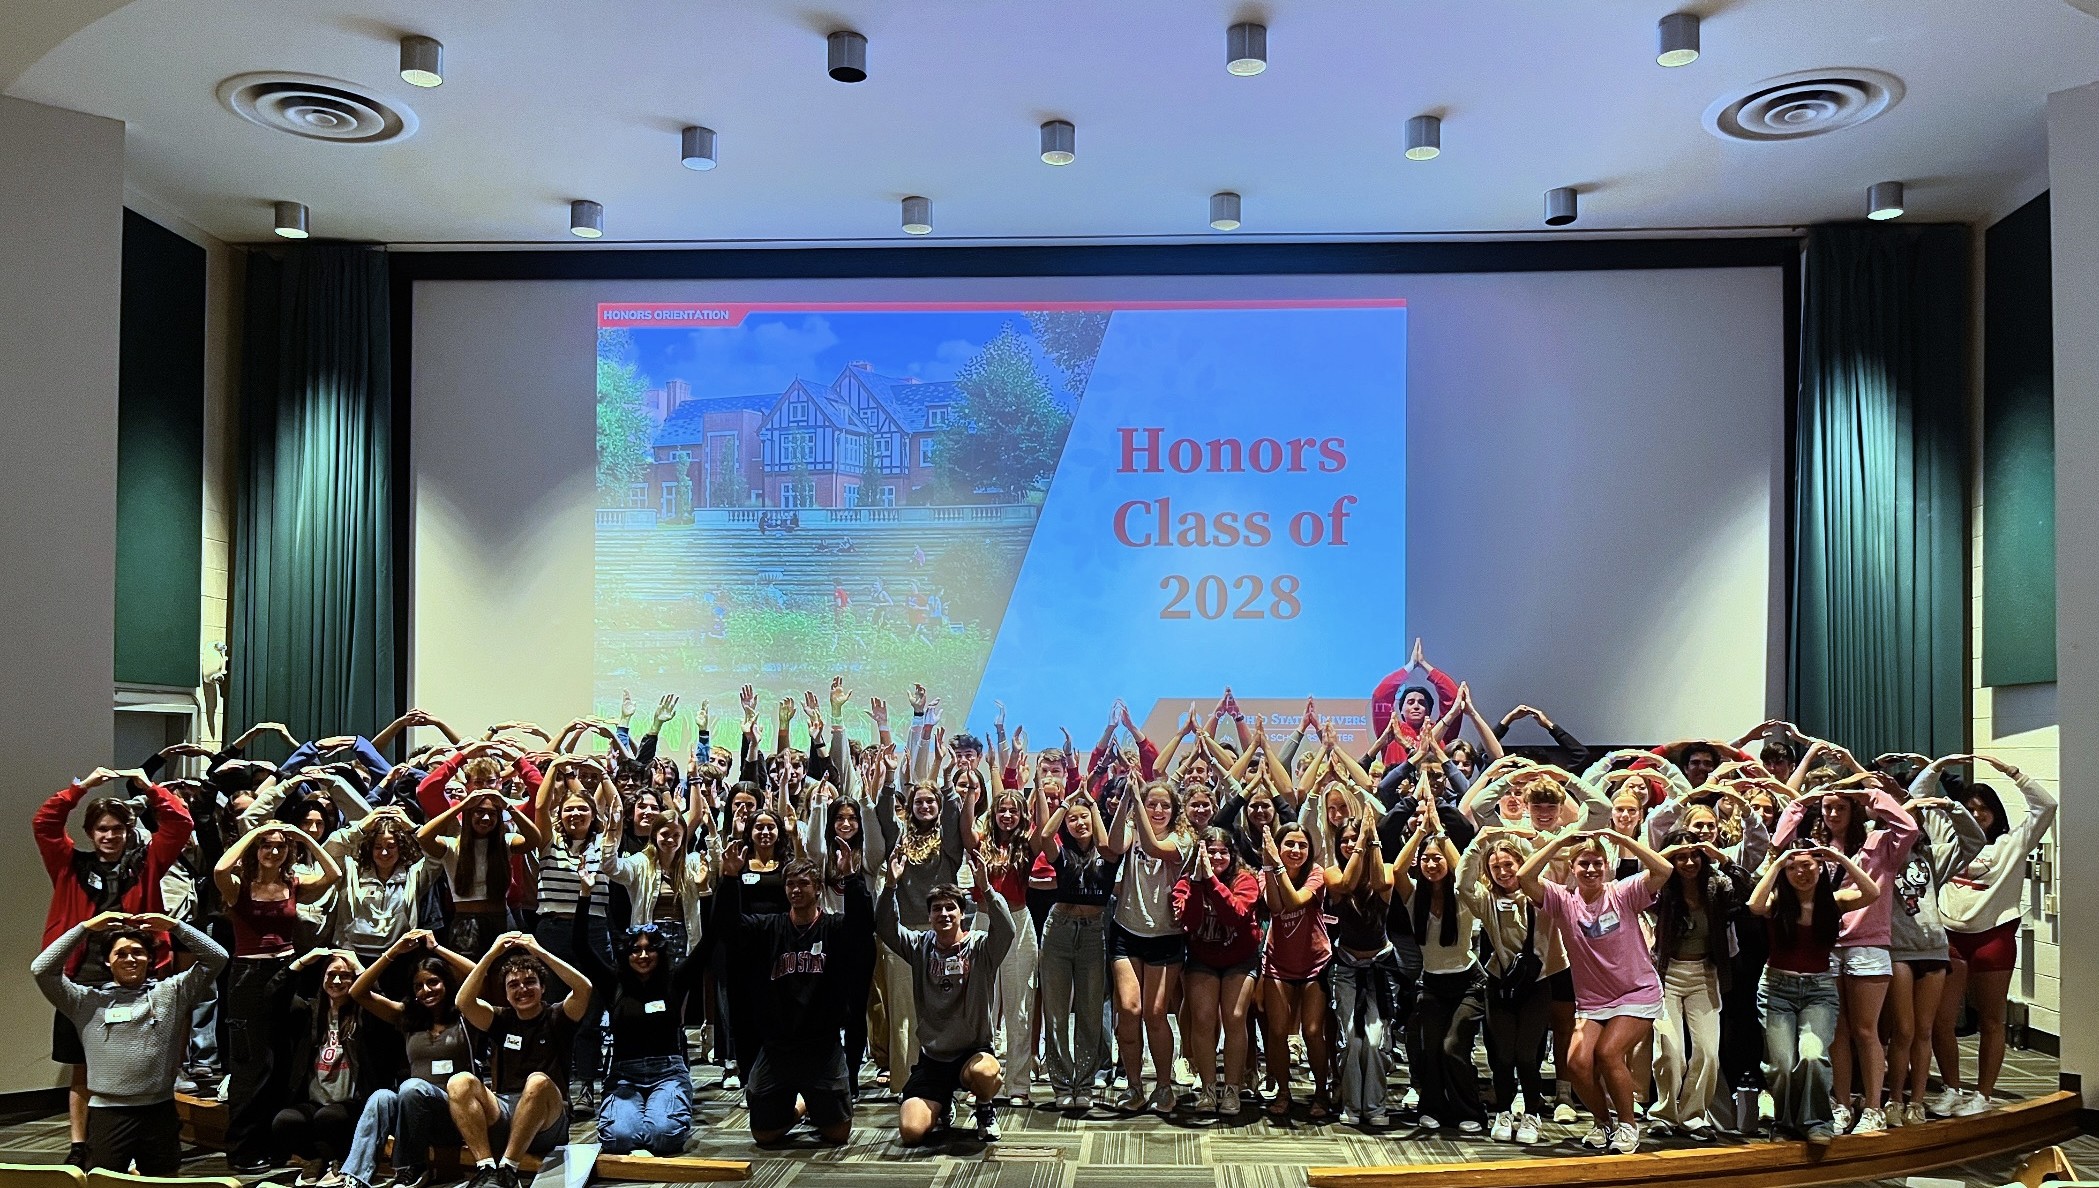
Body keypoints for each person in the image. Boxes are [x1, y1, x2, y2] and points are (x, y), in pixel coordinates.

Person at [34, 766, 194, 1169]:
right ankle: (79, 1144)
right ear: (91, 832)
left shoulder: (147, 862)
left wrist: (149, 787)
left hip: (139, 973)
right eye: (102, 829)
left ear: (128, 830)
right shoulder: (70, 864)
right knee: (82, 1066)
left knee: (150, 1056)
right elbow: (45, 823)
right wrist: (82, 787)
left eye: (117, 829)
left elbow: (180, 824)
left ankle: (148, 1135)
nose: (109, 836)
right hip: (83, 975)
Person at [1773, 771, 1918, 1134]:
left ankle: (1873, 1107)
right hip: (1828, 946)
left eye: (1840, 807)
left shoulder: (1879, 842)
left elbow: (1909, 828)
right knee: (1837, 1032)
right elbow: (1779, 844)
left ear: (1853, 810)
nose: (1833, 814)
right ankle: (1840, 1103)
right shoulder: (1815, 848)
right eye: (1827, 808)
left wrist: (1872, 796)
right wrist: (1802, 802)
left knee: (1867, 1031)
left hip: (1868, 943)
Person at [33, 910, 227, 1175]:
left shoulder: (171, 993)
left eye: (137, 952)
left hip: (159, 1110)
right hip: (108, 1113)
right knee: (104, 1181)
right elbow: (42, 970)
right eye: (121, 954)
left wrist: (175, 926)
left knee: (162, 1182)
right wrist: (85, 928)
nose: (130, 959)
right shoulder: (86, 1001)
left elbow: (218, 957)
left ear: (149, 958)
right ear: (108, 961)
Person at [1515, 829, 1672, 1155]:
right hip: (1593, 1002)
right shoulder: (1563, 900)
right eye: (1584, 863)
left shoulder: (1623, 892)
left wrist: (1622, 840)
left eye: (1597, 863)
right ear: (1573, 868)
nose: (1591, 869)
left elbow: (1664, 870)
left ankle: (1628, 1125)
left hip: (1636, 993)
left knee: (1608, 1053)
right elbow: (1525, 877)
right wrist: (1559, 842)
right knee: (1575, 1062)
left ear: (1606, 865)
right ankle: (1603, 1123)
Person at [1930, 753, 2058, 1116]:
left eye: (1983, 808)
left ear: (1995, 812)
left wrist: (2012, 772)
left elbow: (2047, 806)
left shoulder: (2012, 843)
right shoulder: (1947, 840)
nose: (1976, 814)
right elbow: (1920, 798)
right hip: (1950, 938)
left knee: (1990, 1020)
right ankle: (1952, 1089)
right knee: (1941, 1020)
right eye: (1969, 808)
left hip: (1993, 940)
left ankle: (1982, 1095)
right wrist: (1936, 768)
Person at [215, 821, 344, 1174]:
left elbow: (333, 874)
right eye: (266, 845)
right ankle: (241, 1151)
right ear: (255, 849)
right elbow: (220, 869)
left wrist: (303, 838)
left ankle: (274, 1144)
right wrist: (253, 835)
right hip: (249, 976)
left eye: (280, 846)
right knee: (252, 1065)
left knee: (284, 1062)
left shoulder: (292, 884)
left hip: (288, 970)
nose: (273, 851)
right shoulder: (239, 885)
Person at [717, 854, 873, 1145]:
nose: (796, 890)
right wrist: (729, 879)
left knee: (837, 1134)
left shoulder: (834, 928)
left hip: (822, 1046)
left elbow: (863, 927)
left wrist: (851, 878)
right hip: (778, 1047)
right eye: (790, 884)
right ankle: (803, 1106)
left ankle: (810, 1102)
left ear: (818, 889)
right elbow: (728, 927)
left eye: (803, 883)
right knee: (763, 1135)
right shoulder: (769, 927)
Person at [878, 849, 1018, 1145]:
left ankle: (984, 1108)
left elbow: (1007, 929)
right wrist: (890, 885)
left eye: (950, 908)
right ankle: (942, 1102)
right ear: (929, 916)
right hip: (933, 1059)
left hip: (972, 1054)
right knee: (911, 1132)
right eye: (937, 909)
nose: (943, 914)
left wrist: (987, 888)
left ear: (961, 913)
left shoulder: (981, 947)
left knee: (986, 1072)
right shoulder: (919, 946)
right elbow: (886, 928)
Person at [1749, 843, 1882, 1144]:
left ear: (1820, 867)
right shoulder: (1777, 902)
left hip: (1818, 990)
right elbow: (1754, 905)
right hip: (1777, 989)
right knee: (1781, 1065)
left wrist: (1841, 859)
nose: (1801, 872)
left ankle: (1816, 1122)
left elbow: (1872, 892)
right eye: (1793, 867)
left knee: (1812, 1056)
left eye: (1808, 865)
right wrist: (1778, 863)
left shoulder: (1834, 901)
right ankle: (1784, 1124)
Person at [446, 932, 595, 1188]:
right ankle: (485, 1168)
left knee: (536, 1082)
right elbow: (463, 1002)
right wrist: (492, 954)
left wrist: (539, 952)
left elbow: (584, 988)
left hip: (549, 1117)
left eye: (530, 982)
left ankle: (508, 1170)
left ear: (543, 987)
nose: (522, 989)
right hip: (506, 1110)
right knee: (460, 1081)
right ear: (505, 993)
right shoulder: (500, 1019)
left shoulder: (558, 1016)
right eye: (513, 985)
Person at [343, 930, 477, 1188]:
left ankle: (410, 1167)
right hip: (411, 1111)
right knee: (381, 1097)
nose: (426, 990)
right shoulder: (406, 1016)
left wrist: (436, 948)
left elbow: (476, 972)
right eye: (418, 986)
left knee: (411, 1087)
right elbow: (358, 992)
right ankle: (356, 1177)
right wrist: (393, 951)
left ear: (446, 983)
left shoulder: (466, 1012)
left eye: (433, 982)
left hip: (453, 1113)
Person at [1646, 829, 1750, 1138]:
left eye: (1694, 855)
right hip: (1666, 975)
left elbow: (1746, 890)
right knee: (1670, 1051)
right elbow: (1640, 882)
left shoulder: (1715, 885)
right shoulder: (1661, 888)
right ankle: (1664, 1114)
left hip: (1704, 973)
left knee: (1707, 1052)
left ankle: (1693, 1116)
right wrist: (1664, 857)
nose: (1689, 862)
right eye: (1681, 857)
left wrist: (1721, 858)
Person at [1391, 798, 1486, 1133]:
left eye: (1437, 859)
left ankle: (1470, 1111)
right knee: (1429, 1050)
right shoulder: (1414, 895)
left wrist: (1441, 835)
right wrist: (1421, 832)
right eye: (1426, 859)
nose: (1431, 864)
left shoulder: (1462, 894)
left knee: (1452, 1047)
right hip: (1431, 983)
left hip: (1468, 984)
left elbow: (1463, 870)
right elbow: (1397, 870)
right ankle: (1432, 1107)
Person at [1100, 780, 1191, 1114]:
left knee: (1155, 1014)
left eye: (1164, 805)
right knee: (1128, 1009)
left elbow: (1154, 848)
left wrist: (1136, 802)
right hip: (1127, 930)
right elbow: (1113, 846)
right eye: (1151, 803)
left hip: (1165, 936)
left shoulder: (1182, 837)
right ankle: (1134, 1086)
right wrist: (1127, 800)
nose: (1157, 810)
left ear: (1174, 810)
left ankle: (1164, 1086)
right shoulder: (1132, 827)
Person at [1029, 787, 1117, 1112]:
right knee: (1055, 1013)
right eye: (1072, 819)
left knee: (1090, 1012)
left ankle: (1085, 1083)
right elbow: (1044, 835)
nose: (1079, 823)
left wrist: (1091, 802)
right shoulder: (1062, 853)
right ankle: (1063, 1084)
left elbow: (1106, 845)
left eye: (1085, 818)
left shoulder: (1108, 852)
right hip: (1059, 931)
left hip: (1093, 932)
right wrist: (1066, 803)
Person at [1463, 828, 1551, 1144]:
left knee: (1526, 1055)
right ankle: (1502, 1110)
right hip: (1500, 984)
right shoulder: (1486, 900)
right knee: (1501, 1055)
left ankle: (1532, 1113)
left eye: (1508, 865)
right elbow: (1462, 884)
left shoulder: (1540, 894)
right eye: (1495, 867)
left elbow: (1552, 863)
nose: (1503, 872)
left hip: (1536, 984)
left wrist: (1534, 838)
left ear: (1520, 863)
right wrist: (1477, 844)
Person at [1171, 825, 1262, 1117]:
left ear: (1232, 854)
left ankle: (1232, 1088)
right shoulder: (1187, 882)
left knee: (1235, 1017)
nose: (1217, 857)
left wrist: (1210, 879)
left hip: (1240, 957)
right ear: (1200, 854)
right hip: (1203, 957)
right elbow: (1191, 921)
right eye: (1210, 852)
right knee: (1203, 1019)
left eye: (1223, 852)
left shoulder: (1245, 880)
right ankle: (1208, 1088)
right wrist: (1199, 882)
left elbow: (1235, 915)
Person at [270, 949, 383, 1183]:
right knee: (284, 1121)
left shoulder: (364, 1013)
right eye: (331, 975)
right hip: (315, 1099)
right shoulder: (309, 1012)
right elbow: (273, 996)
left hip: (351, 1100)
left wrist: (358, 965)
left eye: (345, 975)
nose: (337, 981)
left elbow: (379, 1000)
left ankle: (341, 1160)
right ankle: (316, 1159)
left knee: (329, 1117)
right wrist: (302, 961)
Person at [1324, 808, 1401, 1128]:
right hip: (1347, 967)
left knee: (1375, 1040)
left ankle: (1375, 1105)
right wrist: (1362, 843)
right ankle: (1353, 1104)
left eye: (1356, 838)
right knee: (1352, 1040)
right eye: (1345, 840)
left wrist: (1372, 839)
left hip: (1380, 967)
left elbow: (1382, 882)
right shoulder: (1331, 873)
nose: (1350, 844)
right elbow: (1345, 884)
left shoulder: (1384, 869)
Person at [1259, 820, 1332, 1118]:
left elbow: (1294, 901)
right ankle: (1284, 1092)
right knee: (1277, 1031)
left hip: (1315, 962)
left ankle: (1321, 1093)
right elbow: (1276, 908)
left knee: (1313, 1031)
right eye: (1289, 844)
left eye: (1302, 845)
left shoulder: (1316, 873)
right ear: (1277, 847)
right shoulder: (1265, 872)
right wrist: (1271, 867)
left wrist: (1276, 866)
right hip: (1279, 963)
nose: (1296, 850)